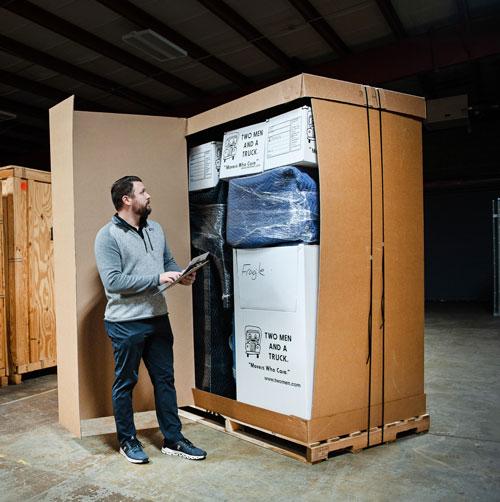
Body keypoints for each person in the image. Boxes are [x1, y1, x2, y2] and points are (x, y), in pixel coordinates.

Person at [94, 175, 206, 464]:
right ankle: (127, 441)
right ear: (126, 200)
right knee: (126, 382)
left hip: (158, 318)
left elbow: (166, 262)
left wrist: (180, 275)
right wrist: (157, 278)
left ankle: (174, 439)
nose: (149, 195)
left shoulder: (156, 229)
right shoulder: (107, 236)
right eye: (143, 191)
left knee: (165, 380)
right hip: (125, 323)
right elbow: (114, 281)